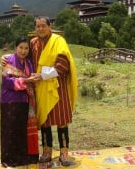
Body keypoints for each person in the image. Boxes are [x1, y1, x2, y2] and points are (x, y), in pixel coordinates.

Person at [30, 16, 78, 167]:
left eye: (43, 25)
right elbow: (22, 57)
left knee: (62, 122)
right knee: (44, 121)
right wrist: (6, 59)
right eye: (38, 26)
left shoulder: (58, 41)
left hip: (58, 87)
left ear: (50, 26)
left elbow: (63, 66)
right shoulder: (33, 43)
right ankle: (46, 152)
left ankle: (64, 153)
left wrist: (42, 75)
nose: (41, 29)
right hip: (41, 88)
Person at [0, 36, 39, 168]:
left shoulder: (29, 63)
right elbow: (7, 82)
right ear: (15, 48)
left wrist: (33, 81)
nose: (23, 51)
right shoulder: (8, 60)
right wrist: (26, 81)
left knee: (22, 130)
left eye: (26, 48)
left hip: (25, 100)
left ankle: (23, 158)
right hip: (10, 100)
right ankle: (8, 160)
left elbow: (33, 79)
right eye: (21, 47)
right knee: (10, 130)